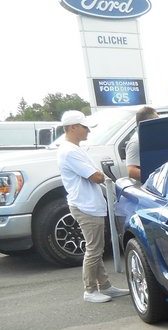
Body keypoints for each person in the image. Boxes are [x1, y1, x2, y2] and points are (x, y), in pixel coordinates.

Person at [57, 110, 129, 303]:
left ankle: (104, 286)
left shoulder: (73, 148)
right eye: (84, 127)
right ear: (73, 127)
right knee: (94, 250)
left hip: (88, 204)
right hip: (85, 205)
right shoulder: (70, 151)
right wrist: (102, 176)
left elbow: (95, 174)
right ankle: (89, 290)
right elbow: (95, 176)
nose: (88, 131)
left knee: (96, 248)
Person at [125, 106, 158, 182]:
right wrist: (156, 179)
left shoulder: (147, 137)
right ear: (148, 122)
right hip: (145, 187)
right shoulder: (137, 141)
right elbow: (131, 171)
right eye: (157, 119)